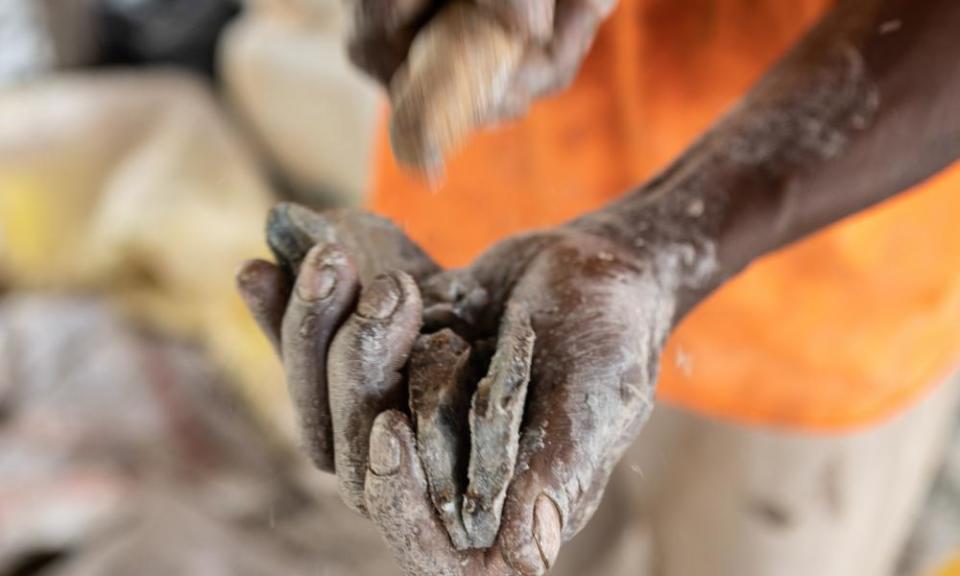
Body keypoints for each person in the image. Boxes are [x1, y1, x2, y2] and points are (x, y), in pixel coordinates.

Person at [236, 0, 960, 574]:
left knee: (757, 542)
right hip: (495, 177)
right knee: (481, 519)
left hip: (819, 270)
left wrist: (657, 248)